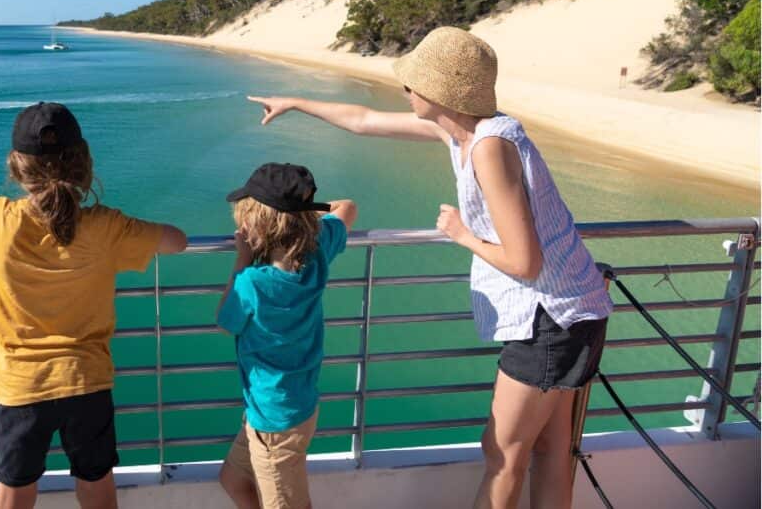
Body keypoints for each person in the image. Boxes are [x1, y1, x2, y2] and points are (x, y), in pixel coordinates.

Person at [247, 27, 612, 509]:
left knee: (503, 453)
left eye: (412, 83)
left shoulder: (489, 149)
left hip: (551, 318)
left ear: (442, 93)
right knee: (549, 448)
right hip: (572, 307)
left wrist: (461, 234)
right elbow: (364, 120)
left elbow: (525, 262)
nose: (405, 91)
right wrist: (295, 101)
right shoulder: (465, 130)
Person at [0, 102, 187, 509]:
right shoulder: (106, 225)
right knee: (96, 483)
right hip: (86, 379)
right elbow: (177, 241)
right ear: (83, 162)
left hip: (20, 385)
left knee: (16, 488)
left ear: (17, 167)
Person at [216, 162, 357, 509]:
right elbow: (347, 207)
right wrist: (310, 214)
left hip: (273, 422)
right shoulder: (319, 250)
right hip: (288, 408)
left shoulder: (251, 282)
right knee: (232, 479)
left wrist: (242, 259)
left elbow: (226, 321)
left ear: (258, 224)